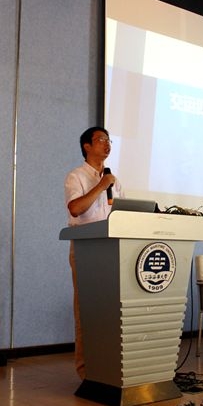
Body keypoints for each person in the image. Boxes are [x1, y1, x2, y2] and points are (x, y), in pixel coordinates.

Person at [64, 126, 124, 379]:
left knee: (112, 310)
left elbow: (124, 213)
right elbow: (76, 208)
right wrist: (101, 186)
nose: (107, 144)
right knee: (86, 309)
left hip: (113, 249)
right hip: (86, 250)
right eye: (101, 139)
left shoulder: (114, 180)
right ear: (86, 146)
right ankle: (86, 372)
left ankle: (109, 367)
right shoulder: (76, 176)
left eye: (109, 140)